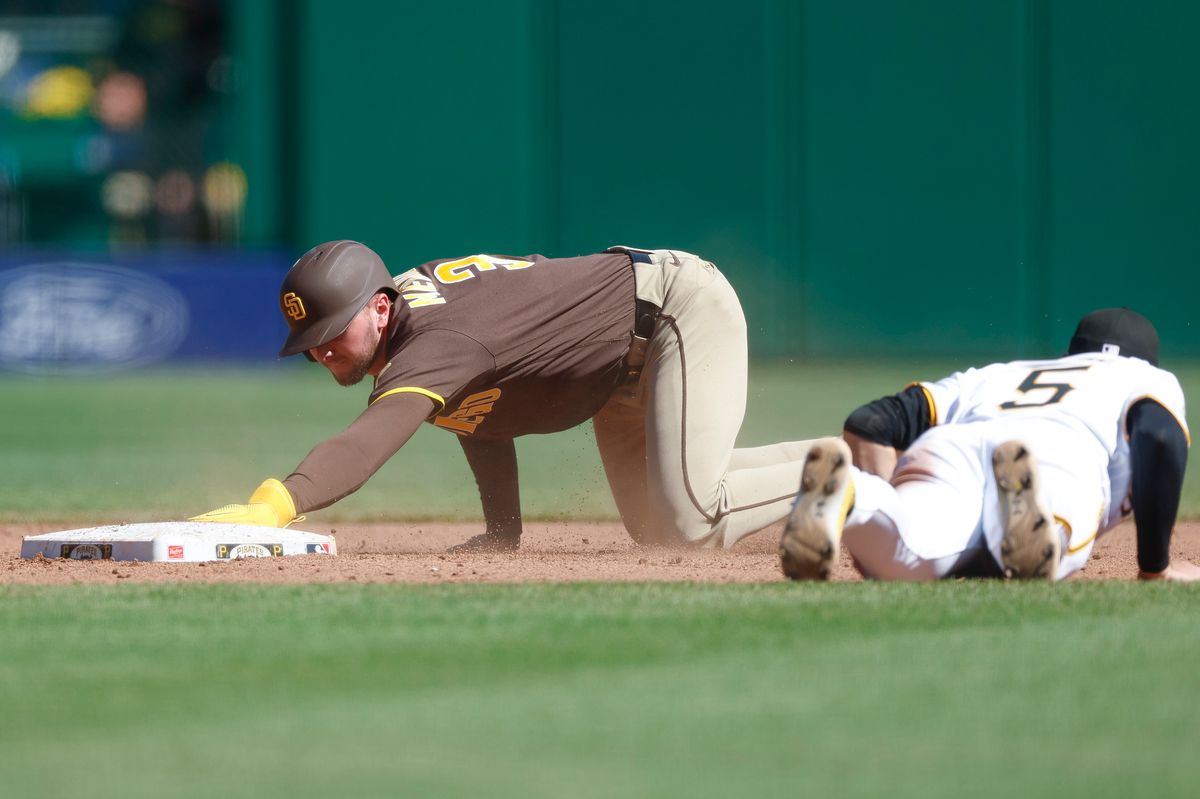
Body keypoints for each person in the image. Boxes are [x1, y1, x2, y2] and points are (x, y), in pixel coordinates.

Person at [193, 240, 817, 550]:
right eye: (309, 340)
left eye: (332, 331)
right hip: (620, 358)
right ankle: (862, 450)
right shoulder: (415, 325)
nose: (320, 349)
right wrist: (504, 530)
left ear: (380, 308)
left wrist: (277, 503)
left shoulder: (439, 340)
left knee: (690, 525)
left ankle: (855, 482)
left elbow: (370, 442)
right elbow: (478, 407)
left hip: (673, 313)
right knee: (657, 526)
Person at [779, 307, 1198, 582]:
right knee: (1053, 543)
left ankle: (856, 497)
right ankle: (1031, 524)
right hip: (1055, 460)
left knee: (911, 549)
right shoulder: (1145, 377)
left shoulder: (1001, 373)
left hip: (954, 448)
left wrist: (891, 490)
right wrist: (1154, 568)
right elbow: (1160, 438)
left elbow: (871, 422)